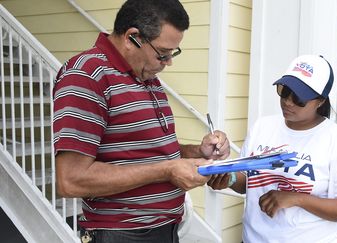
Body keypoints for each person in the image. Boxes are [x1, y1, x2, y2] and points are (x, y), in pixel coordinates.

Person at [52, 0, 230, 242]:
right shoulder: (86, 75)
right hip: (122, 234)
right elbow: (71, 180)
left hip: (166, 228)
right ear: (132, 37)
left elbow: (149, 154)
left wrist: (196, 151)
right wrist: (167, 171)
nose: (168, 63)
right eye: (163, 54)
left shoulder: (148, 78)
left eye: (172, 54)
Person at [208, 55, 337, 243]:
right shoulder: (262, 127)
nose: (288, 102)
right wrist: (229, 178)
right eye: (285, 91)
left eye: (299, 98)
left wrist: (296, 198)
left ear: (321, 101)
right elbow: (247, 182)